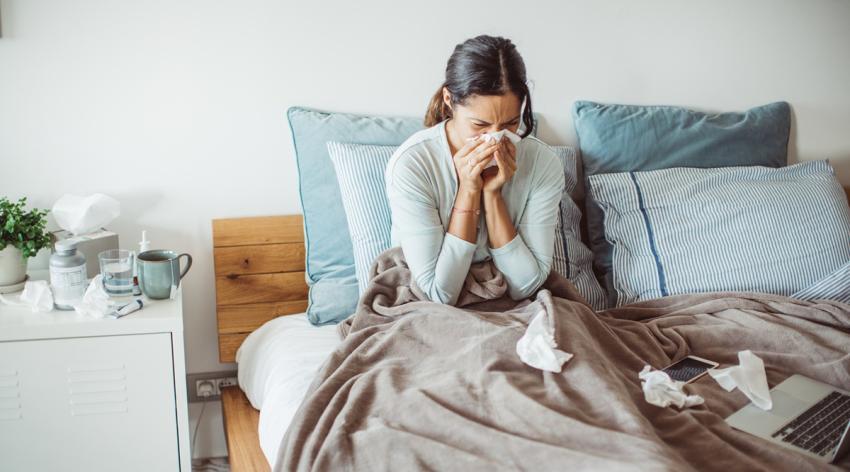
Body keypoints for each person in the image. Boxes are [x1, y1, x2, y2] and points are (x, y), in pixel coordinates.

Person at [385, 34, 564, 305]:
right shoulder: (414, 165)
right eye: (480, 125)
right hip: (427, 307)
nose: (496, 138)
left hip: (514, 305)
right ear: (448, 99)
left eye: (510, 124)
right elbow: (439, 294)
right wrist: (469, 190)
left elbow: (526, 285)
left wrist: (492, 196)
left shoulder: (542, 163)